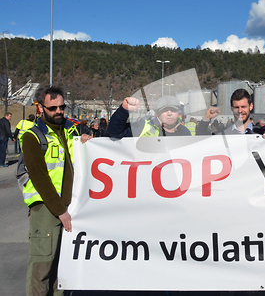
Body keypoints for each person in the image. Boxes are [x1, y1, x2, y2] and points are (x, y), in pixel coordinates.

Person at [22, 86, 91, 296]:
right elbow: (40, 178)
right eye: (53, 108)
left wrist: (86, 143)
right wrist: (59, 210)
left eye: (62, 107)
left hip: (70, 207)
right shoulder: (32, 136)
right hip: (46, 209)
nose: (59, 111)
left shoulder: (71, 130)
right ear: (41, 108)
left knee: (62, 269)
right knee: (41, 268)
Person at [197, 89, 265, 139]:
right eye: (236, 107)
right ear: (232, 108)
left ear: (251, 106)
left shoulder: (262, 134)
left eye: (243, 107)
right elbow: (200, 143)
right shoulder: (223, 135)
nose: (240, 111)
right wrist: (206, 119)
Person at [108, 95, 192, 138]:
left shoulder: (185, 132)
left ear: (178, 113)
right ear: (158, 113)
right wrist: (123, 110)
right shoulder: (143, 127)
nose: (169, 113)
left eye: (173, 110)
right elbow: (115, 132)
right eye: (165, 110)